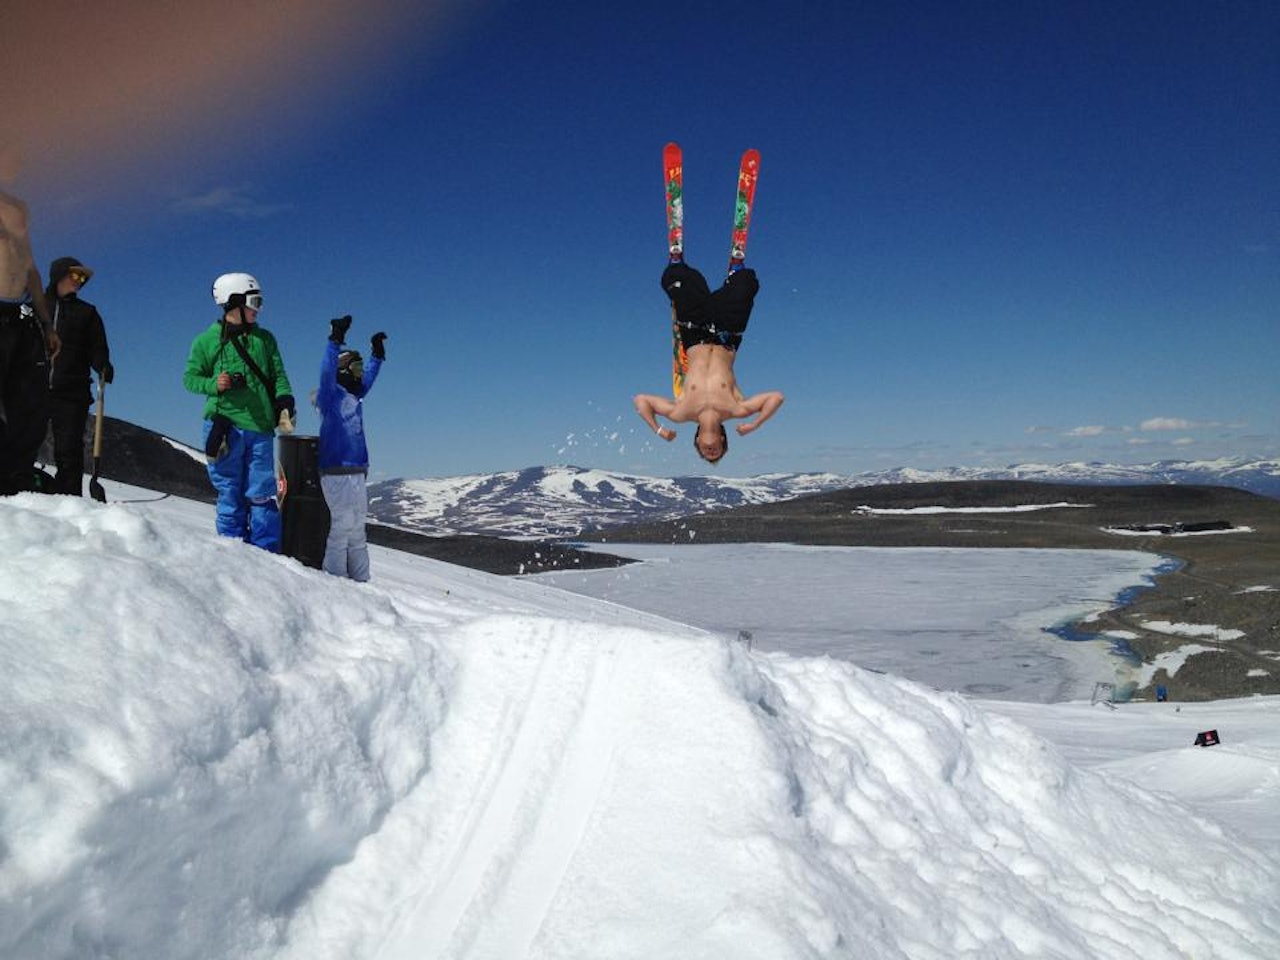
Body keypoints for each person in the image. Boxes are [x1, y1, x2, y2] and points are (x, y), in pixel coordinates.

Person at [183, 272, 295, 551]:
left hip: (260, 428)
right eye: (254, 301)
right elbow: (189, 379)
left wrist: (284, 401)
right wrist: (213, 384)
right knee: (230, 493)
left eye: (260, 302)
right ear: (233, 302)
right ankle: (234, 554)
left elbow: (278, 374)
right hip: (225, 427)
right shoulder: (206, 341)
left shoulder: (265, 339)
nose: (258, 308)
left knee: (261, 493)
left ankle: (267, 555)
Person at [633, 261, 784, 464]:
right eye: (717, 453)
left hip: (693, 329)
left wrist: (658, 430)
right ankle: (736, 275)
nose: (711, 453)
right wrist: (755, 425)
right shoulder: (735, 409)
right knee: (747, 284)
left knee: (674, 277)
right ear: (723, 440)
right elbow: (776, 397)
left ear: (697, 441)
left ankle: (678, 266)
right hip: (727, 332)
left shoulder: (681, 411)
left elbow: (641, 400)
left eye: (705, 454)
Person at [0, 148, 60, 494]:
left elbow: (30, 266)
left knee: (29, 406)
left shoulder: (19, 208)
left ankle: (17, 479)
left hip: (22, 318)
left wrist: (47, 323)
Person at [316, 315, 384, 581]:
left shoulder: (355, 395)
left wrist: (376, 355)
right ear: (343, 370)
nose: (359, 374)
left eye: (360, 368)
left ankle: (361, 584)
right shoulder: (330, 395)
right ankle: (336, 583)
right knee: (341, 529)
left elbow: (369, 379)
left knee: (357, 531)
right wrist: (335, 340)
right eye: (355, 368)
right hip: (336, 471)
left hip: (356, 471)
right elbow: (325, 371)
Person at [44, 257, 112, 495]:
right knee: (22, 440)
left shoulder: (87, 313)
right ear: (59, 275)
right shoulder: (35, 306)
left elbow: (97, 348)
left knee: (69, 448)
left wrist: (103, 365)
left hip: (72, 392)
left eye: (82, 278)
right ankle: (15, 489)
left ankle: (69, 499)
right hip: (32, 387)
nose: (79, 281)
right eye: (75, 275)